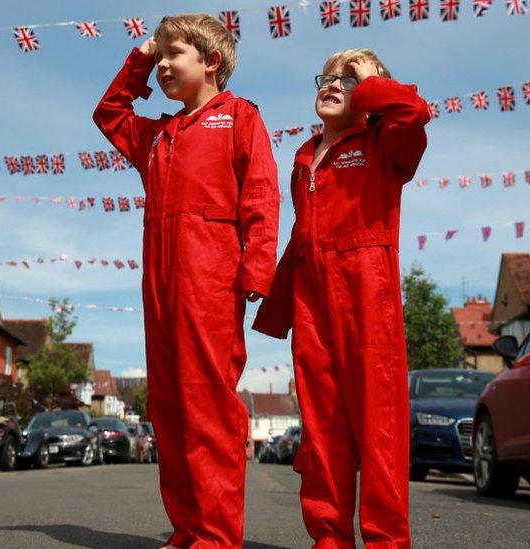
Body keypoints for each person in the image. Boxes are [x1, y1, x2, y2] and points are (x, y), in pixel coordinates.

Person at [93, 13, 280, 549]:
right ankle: (189, 527)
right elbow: (109, 112)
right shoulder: (157, 134)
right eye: (162, 57)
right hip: (159, 276)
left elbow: (262, 195)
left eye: (175, 55)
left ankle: (218, 534)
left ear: (211, 61)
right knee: (169, 405)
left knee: (206, 401)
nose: (165, 66)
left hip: (211, 274)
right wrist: (142, 57)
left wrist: (256, 268)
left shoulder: (239, 116)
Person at [252, 49, 431, 548]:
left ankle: (385, 542)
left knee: (379, 428)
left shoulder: (385, 143)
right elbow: (301, 237)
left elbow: (413, 112)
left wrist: (370, 82)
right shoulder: (304, 157)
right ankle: (328, 539)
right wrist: (274, 303)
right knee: (322, 428)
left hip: (366, 291)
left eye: (348, 80)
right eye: (328, 77)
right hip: (312, 298)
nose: (333, 85)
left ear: (373, 95)